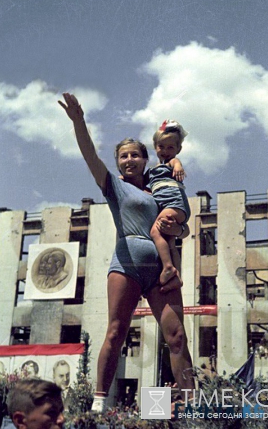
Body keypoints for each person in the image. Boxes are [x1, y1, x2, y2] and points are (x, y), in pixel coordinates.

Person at [58, 93, 195, 413]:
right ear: (118, 161)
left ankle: (192, 406)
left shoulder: (160, 186)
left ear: (146, 159)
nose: (129, 160)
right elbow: (90, 155)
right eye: (123, 156)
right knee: (116, 331)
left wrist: (181, 229)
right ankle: (98, 403)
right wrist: (79, 122)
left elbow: (178, 222)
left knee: (176, 337)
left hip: (163, 269)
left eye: (135, 155)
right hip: (127, 264)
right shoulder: (114, 186)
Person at [149, 120, 191, 291]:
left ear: (178, 149)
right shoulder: (153, 171)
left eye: (171, 148)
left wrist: (178, 165)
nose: (165, 151)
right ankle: (177, 276)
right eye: (161, 147)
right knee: (170, 242)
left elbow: (176, 163)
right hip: (171, 207)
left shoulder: (172, 163)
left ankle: (168, 267)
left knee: (154, 231)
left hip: (174, 203)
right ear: (155, 146)